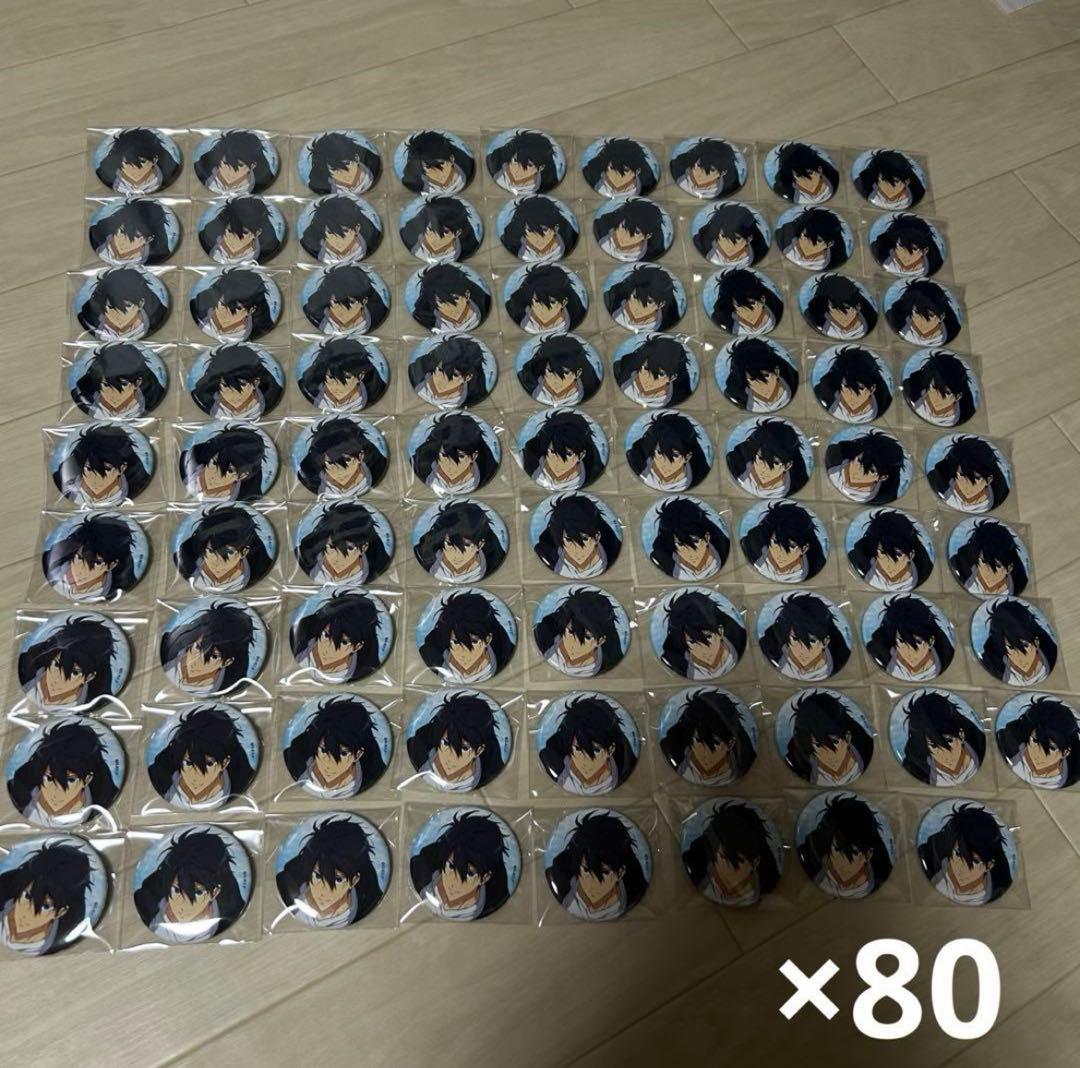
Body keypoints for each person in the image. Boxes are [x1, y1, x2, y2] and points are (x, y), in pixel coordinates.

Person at [133, 828, 246, 943]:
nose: (183, 905)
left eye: (198, 892)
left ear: (215, 892)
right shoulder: (146, 906)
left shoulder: (230, 916)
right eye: (176, 890)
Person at [276, 815, 385, 927]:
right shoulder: (286, 888)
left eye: (338, 879)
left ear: (354, 880)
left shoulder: (368, 906)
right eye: (318, 876)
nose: (323, 891)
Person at [7, 719, 118, 826]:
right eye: (49, 778)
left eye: (71, 780)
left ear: (87, 779)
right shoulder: (17, 794)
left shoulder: (105, 804)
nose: (57, 792)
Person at [147, 704, 255, 810]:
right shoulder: (159, 780)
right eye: (189, 763)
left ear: (225, 763)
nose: (196, 776)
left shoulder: (241, 787)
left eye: (209, 764)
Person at [409, 809, 512, 920]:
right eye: (451, 866)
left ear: (485, 878)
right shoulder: (420, 874)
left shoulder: (494, 903)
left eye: (469, 873)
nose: (454, 881)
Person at [545, 810, 648, 920]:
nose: (593, 883)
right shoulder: (562, 885)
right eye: (586, 870)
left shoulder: (633, 893)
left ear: (621, 873)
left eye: (605, 872)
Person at [283, 694, 389, 798]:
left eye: (343, 753)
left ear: (358, 754)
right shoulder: (294, 762)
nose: (329, 764)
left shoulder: (373, 777)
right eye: (323, 751)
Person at [0, 839, 94, 955]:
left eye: (45, 906)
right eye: (27, 896)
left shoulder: (51, 943)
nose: (26, 913)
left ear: (61, 912)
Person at [682, 802, 781, 907]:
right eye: (723, 856)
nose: (726, 868)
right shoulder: (696, 870)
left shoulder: (767, 886)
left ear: (755, 862)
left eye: (738, 861)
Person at [407, 691, 506, 790]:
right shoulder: (416, 754)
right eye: (446, 743)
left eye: (465, 748)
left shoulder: (491, 777)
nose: (450, 757)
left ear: (479, 750)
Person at [538, 694, 637, 794]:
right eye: (577, 749)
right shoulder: (555, 766)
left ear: (611, 750)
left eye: (596, 750)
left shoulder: (624, 771)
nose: (585, 761)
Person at [798, 794, 893, 899]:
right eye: (837, 849)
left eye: (855, 853)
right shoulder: (810, 867)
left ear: (869, 854)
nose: (843, 862)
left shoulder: (881, 882)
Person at [918, 803, 1011, 906]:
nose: (961, 867)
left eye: (975, 861)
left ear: (989, 865)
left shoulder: (1000, 890)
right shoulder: (930, 855)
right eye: (958, 854)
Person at [18, 615, 119, 710]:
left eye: (74, 672)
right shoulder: (25, 671)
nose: (57, 679)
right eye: (56, 664)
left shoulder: (95, 703)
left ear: (89, 677)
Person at [659, 689, 756, 786]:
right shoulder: (677, 758)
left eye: (715, 743)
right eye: (698, 741)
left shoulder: (742, 768)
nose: (704, 752)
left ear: (731, 743)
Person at [160, 600, 258, 695]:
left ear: (227, 662)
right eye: (198, 647)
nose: (197, 661)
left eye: (213, 656)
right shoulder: (167, 648)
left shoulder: (231, 685)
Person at [417, 590, 515, 684]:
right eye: (456, 642)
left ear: (488, 640)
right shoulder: (431, 659)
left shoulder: (506, 657)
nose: (463, 653)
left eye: (473, 641)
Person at [175, 504, 274, 593]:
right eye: (211, 551)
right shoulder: (184, 561)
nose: (216, 561)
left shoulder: (260, 568)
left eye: (228, 552)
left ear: (244, 552)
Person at [290, 591, 385, 683]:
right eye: (326, 635)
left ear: (357, 646)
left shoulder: (362, 670)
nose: (328, 648)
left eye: (344, 642)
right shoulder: (300, 643)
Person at [43, 513, 138, 602]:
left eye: (97, 563)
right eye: (80, 557)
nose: (81, 570)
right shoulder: (50, 563)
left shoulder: (120, 586)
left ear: (112, 565)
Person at [784, 691, 872, 786]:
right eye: (818, 745)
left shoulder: (867, 752)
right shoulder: (799, 766)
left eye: (835, 742)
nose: (827, 754)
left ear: (848, 737)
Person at [534, 586, 625, 677]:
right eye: (570, 631)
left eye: (587, 637)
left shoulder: (611, 666)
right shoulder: (541, 637)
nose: (574, 644)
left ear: (600, 641)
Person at [758, 593, 850, 681]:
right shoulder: (770, 650)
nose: (801, 650)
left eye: (812, 641)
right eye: (795, 639)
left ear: (825, 642)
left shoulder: (840, 660)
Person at [900, 690, 984, 787]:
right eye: (934, 746)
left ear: (961, 735)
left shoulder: (984, 747)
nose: (945, 755)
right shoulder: (915, 772)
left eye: (949, 741)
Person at [54, 424, 151, 507]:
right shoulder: (65, 485)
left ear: (122, 468)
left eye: (107, 469)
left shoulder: (138, 485)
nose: (95, 479)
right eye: (89, 469)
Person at [996, 694, 1080, 789]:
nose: (1038, 753)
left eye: (1052, 748)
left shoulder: (1074, 773)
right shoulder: (1003, 745)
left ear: (1065, 753)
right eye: (1035, 741)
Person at [296, 501, 390, 586]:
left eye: (349, 548)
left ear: (364, 547)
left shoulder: (377, 569)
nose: (338, 558)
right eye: (332, 547)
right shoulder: (304, 560)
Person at [865, 594, 955, 682]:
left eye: (918, 642)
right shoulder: (877, 653)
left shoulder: (947, 659)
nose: (909, 651)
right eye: (901, 641)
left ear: (931, 641)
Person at [659, 589, 745, 681]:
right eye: (692, 642)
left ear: (720, 631)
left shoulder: (740, 641)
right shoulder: (675, 662)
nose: (704, 650)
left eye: (708, 637)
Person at [413, 500, 506, 583]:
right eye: (449, 544)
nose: (456, 554)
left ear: (480, 544)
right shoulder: (426, 557)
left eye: (466, 545)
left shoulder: (494, 561)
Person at [296, 416, 387, 499]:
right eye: (330, 463)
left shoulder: (377, 467)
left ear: (361, 456)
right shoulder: (311, 480)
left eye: (347, 460)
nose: (338, 470)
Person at [410, 412, 499, 495]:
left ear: (474, 456)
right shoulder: (420, 466)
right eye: (444, 455)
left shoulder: (487, 469)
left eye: (461, 456)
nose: (450, 465)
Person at [69, 342, 165, 419]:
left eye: (123, 384)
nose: (113, 394)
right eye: (106, 385)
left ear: (138, 382)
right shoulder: (83, 396)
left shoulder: (152, 395)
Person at [535, 494, 621, 579]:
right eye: (568, 540)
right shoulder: (545, 556)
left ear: (597, 537)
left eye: (584, 539)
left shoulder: (616, 555)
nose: (576, 549)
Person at [739, 500, 825, 583]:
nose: (780, 553)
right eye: (776, 542)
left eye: (791, 546)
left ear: (804, 548)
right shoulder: (748, 548)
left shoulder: (817, 571)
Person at [847, 508, 933, 592]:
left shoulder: (926, 575)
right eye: (882, 552)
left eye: (898, 554)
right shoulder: (855, 564)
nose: (889, 562)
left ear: (911, 555)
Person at [189, 343, 282, 420]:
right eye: (226, 386)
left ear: (256, 382)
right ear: (218, 384)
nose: (234, 395)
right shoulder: (206, 399)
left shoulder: (270, 396)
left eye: (243, 384)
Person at [976, 598, 1056, 686]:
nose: (1019, 657)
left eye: (1025, 645)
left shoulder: (1052, 656)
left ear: (1036, 643)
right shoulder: (992, 667)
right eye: (1011, 648)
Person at [297, 337, 389, 413]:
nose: (337, 386)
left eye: (347, 377)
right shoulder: (310, 387)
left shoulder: (374, 390)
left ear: (361, 376)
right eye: (331, 377)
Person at [520, 410, 605, 492]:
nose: (558, 462)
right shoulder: (525, 461)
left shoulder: (596, 476)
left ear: (582, 455)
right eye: (552, 452)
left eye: (569, 454)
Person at [181, 425, 270, 503]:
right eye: (214, 462)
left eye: (229, 470)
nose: (214, 474)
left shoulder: (244, 498)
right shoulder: (187, 464)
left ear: (242, 476)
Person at [725, 417, 810, 499]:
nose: (763, 468)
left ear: (787, 466)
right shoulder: (733, 464)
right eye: (760, 458)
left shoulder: (799, 485)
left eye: (775, 463)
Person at [647, 496, 728, 581]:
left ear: (707, 537)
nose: (690, 552)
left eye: (695, 541)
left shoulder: (725, 551)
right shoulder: (663, 564)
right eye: (680, 544)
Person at [626, 411, 711, 492]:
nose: (664, 462)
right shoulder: (635, 464)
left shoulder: (702, 478)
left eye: (675, 455)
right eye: (659, 453)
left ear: (687, 457)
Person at [76, 266, 167, 341]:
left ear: (141, 303)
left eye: (127, 306)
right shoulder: (89, 320)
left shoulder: (154, 316)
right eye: (110, 306)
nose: (117, 314)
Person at [190, 266, 277, 342]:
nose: (225, 314)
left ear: (251, 310)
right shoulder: (196, 309)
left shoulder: (259, 332)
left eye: (237, 308)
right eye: (223, 304)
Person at [926, 435, 1009, 513]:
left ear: (989, 480)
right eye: (962, 475)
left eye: (977, 477)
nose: (967, 484)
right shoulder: (935, 482)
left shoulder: (1001, 498)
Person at [300, 264, 389, 335]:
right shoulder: (315, 313)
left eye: (351, 302)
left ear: (364, 301)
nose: (342, 310)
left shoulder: (377, 312)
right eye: (336, 302)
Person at [825, 428, 908, 504]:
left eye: (871, 470)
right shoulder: (832, 455)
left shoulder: (884, 498)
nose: (858, 470)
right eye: (859, 460)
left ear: (883, 477)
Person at [949, 519, 1029, 597]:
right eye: (983, 561)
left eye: (998, 566)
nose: (988, 571)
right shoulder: (961, 567)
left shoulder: (1018, 587)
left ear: (1009, 568)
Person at [408, 335, 492, 408]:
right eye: (440, 370)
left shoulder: (474, 397)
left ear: (468, 377)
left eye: (455, 375)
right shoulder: (416, 374)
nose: (442, 380)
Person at [813, 345, 892, 423]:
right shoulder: (822, 395)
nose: (852, 395)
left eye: (861, 388)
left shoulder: (884, 405)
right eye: (846, 386)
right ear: (840, 383)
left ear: (872, 389)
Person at [516, 334, 601, 407]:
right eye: (550, 371)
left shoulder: (590, 388)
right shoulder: (528, 382)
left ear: (578, 373)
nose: (556, 380)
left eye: (566, 372)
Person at [613, 334, 694, 408]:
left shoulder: (682, 400)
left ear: (673, 377)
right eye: (646, 368)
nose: (649, 378)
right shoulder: (618, 371)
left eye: (661, 374)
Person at [718, 338, 798, 412]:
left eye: (766, 376)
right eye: (752, 379)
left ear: (776, 372)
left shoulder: (794, 381)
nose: (761, 386)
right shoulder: (736, 398)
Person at [504, 264, 586, 335]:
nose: (543, 310)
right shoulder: (515, 313)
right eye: (537, 301)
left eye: (552, 302)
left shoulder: (577, 315)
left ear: (564, 302)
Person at [299, 194, 382, 265]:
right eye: (330, 232)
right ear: (323, 230)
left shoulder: (370, 236)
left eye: (345, 231)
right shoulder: (313, 244)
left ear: (357, 228)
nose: (338, 239)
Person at [901, 350, 977, 427]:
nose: (936, 396)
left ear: (958, 397)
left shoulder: (966, 417)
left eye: (946, 393)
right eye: (934, 387)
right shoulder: (909, 394)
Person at [409, 262, 490, 333]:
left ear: (467, 295)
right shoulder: (423, 320)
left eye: (456, 298)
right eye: (442, 302)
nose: (451, 308)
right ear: (433, 302)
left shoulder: (485, 305)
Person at [199, 197, 283, 265]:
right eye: (229, 231)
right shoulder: (208, 239)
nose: (233, 239)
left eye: (244, 233)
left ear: (257, 233)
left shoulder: (268, 247)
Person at [95, 127, 180, 194]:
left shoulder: (167, 170)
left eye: (142, 162)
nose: (134, 169)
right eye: (127, 163)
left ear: (155, 160)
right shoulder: (109, 175)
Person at [90, 199, 173, 266]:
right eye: (122, 231)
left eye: (137, 236)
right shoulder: (95, 238)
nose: (124, 241)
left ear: (149, 239)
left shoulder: (155, 259)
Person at [603, 263, 683, 332]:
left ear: (661, 304)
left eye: (649, 302)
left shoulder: (669, 322)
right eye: (635, 297)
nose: (637, 307)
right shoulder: (612, 298)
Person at [194, 129, 277, 194]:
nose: (230, 171)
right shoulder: (204, 170)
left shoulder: (260, 182)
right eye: (225, 163)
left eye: (240, 165)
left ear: (253, 165)